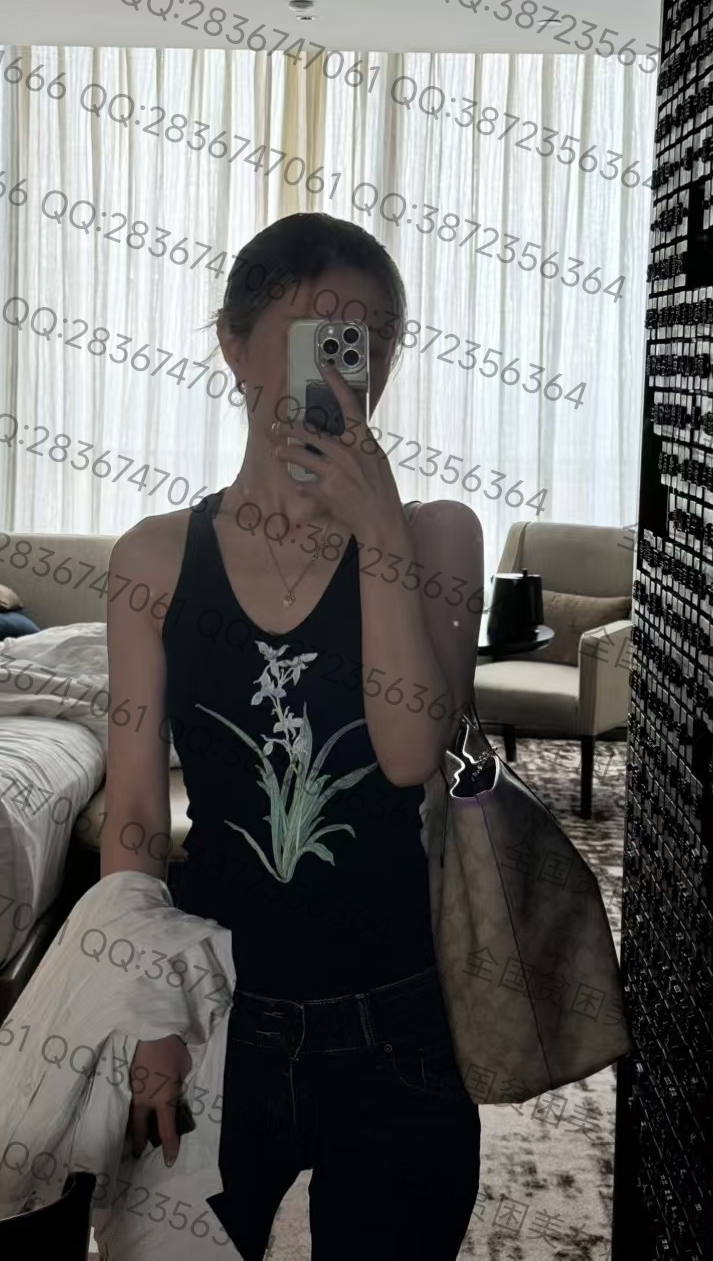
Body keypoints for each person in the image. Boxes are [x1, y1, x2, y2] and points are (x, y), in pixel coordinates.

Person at [101, 212, 484, 1260]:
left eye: (373, 342)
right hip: (216, 1015)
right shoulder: (153, 560)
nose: (350, 368)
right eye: (323, 335)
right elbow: (134, 814)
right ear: (234, 344)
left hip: (402, 1025)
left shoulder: (439, 534)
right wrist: (149, 1015)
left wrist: (380, 528)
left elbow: (410, 755)